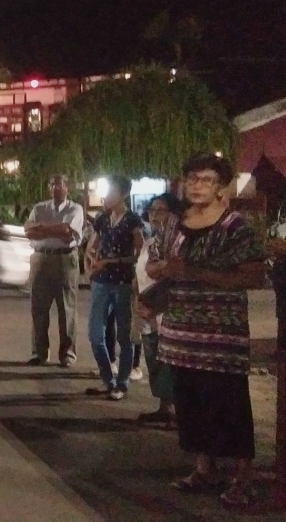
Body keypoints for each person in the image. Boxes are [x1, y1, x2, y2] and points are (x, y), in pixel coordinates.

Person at [144, 153, 266, 507]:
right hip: (180, 334)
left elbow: (254, 275)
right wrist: (161, 270)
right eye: (192, 178)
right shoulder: (173, 224)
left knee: (229, 406)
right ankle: (204, 467)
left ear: (221, 186)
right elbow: (155, 262)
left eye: (207, 180)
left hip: (221, 337)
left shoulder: (234, 225)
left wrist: (195, 272)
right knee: (192, 404)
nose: (198, 185)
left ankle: (244, 476)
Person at [83, 175, 144, 401]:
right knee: (95, 335)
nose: (106, 196)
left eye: (111, 192)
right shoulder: (103, 218)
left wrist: (110, 262)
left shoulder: (132, 221)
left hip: (122, 283)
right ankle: (108, 379)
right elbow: (93, 244)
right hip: (101, 282)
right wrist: (90, 259)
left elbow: (138, 254)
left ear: (124, 194)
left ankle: (122, 383)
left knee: (124, 336)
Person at [24, 175, 84, 367]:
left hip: (65, 259)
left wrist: (42, 228)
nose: (55, 188)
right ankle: (39, 353)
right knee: (38, 308)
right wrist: (56, 230)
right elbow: (28, 231)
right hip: (41, 258)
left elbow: (68, 231)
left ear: (67, 188)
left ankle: (67, 354)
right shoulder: (39, 208)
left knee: (66, 308)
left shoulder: (75, 208)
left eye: (59, 185)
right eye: (52, 184)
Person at [136, 193, 180, 428]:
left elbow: (170, 275)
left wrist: (155, 304)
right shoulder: (150, 242)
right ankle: (164, 407)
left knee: (167, 359)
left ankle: (175, 410)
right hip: (147, 308)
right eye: (152, 210)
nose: (154, 215)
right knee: (153, 355)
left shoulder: (176, 242)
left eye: (161, 210)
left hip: (164, 309)